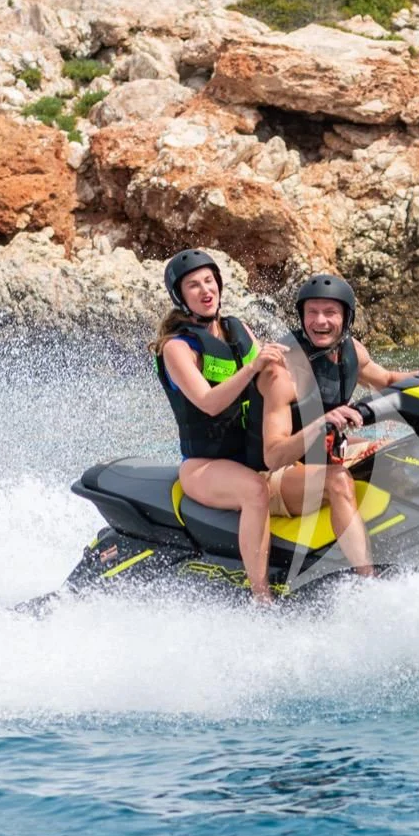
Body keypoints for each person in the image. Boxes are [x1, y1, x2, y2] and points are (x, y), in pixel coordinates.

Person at [253, 274, 419, 579]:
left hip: (319, 456)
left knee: (402, 452)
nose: (320, 321)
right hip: (273, 475)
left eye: (330, 313)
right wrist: (322, 423)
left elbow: (387, 380)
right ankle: (367, 582)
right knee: (338, 480)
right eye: (312, 312)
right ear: (301, 316)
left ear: (346, 317)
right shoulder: (281, 373)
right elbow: (273, 455)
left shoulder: (351, 351)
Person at [152, 249, 284, 603]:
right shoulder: (177, 348)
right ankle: (261, 598)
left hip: (251, 452)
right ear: (181, 297)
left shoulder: (237, 330)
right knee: (255, 491)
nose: (205, 290)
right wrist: (253, 369)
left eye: (209, 281)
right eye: (193, 285)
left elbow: (274, 381)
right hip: (203, 466)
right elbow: (208, 404)